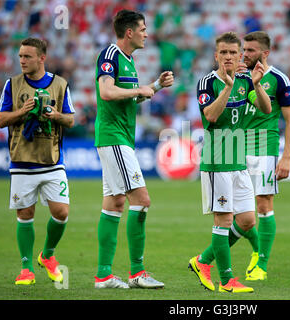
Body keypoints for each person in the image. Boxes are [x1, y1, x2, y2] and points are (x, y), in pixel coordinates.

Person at [94, 9, 174, 289]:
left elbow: (127, 97)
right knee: (141, 200)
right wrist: (139, 89)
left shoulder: (128, 61)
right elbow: (106, 92)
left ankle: (104, 275)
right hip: (114, 137)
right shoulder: (110, 55)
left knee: (114, 204)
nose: (146, 34)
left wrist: (153, 86)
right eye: (142, 29)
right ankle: (138, 272)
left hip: (121, 137)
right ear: (129, 32)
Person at [188, 32, 271, 293]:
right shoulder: (207, 82)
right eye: (223, 52)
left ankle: (202, 261)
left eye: (233, 53)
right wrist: (227, 85)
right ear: (216, 55)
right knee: (223, 220)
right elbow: (211, 116)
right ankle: (226, 281)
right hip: (216, 162)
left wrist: (256, 84)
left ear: (240, 56)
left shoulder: (246, 81)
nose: (228, 57)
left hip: (239, 162)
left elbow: (267, 109)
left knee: (247, 220)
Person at [0, 37, 75, 285]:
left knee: (61, 212)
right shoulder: (12, 84)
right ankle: (26, 268)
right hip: (22, 161)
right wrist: (23, 111)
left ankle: (47, 255)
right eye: (20, 56)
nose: (22, 61)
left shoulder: (60, 84)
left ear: (42, 58)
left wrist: (54, 115)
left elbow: (71, 121)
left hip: (52, 159)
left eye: (27, 56)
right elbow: (0, 120)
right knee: (25, 214)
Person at [240, 31, 290, 281]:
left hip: (265, 147)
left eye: (250, 50)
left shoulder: (279, 79)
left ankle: (261, 264)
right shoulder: (237, 76)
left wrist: (286, 157)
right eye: (244, 49)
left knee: (263, 205)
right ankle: (257, 250)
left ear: (265, 53)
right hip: (237, 147)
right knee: (235, 211)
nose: (245, 54)